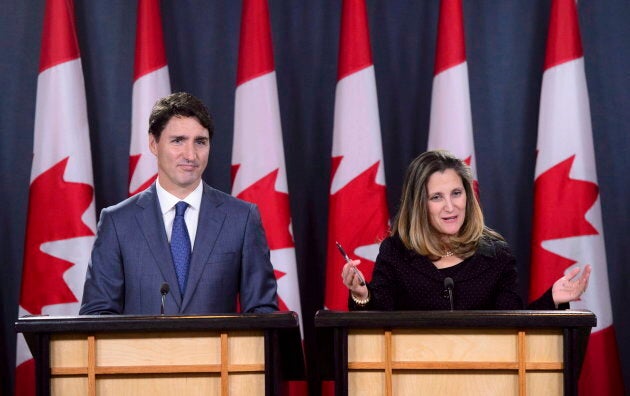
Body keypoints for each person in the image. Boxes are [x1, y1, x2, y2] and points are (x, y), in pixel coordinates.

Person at [80, 92, 278, 315]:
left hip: (218, 350)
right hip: (142, 351)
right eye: (178, 141)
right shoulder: (117, 222)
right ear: (154, 144)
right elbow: (97, 314)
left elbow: (263, 313)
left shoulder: (241, 219)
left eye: (200, 142)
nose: (190, 155)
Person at [342, 150, 590, 310]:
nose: (450, 207)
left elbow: (513, 326)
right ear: (419, 204)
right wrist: (362, 294)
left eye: (456, 193)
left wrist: (553, 300)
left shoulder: (495, 254)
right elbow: (376, 323)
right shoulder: (396, 251)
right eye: (437, 197)